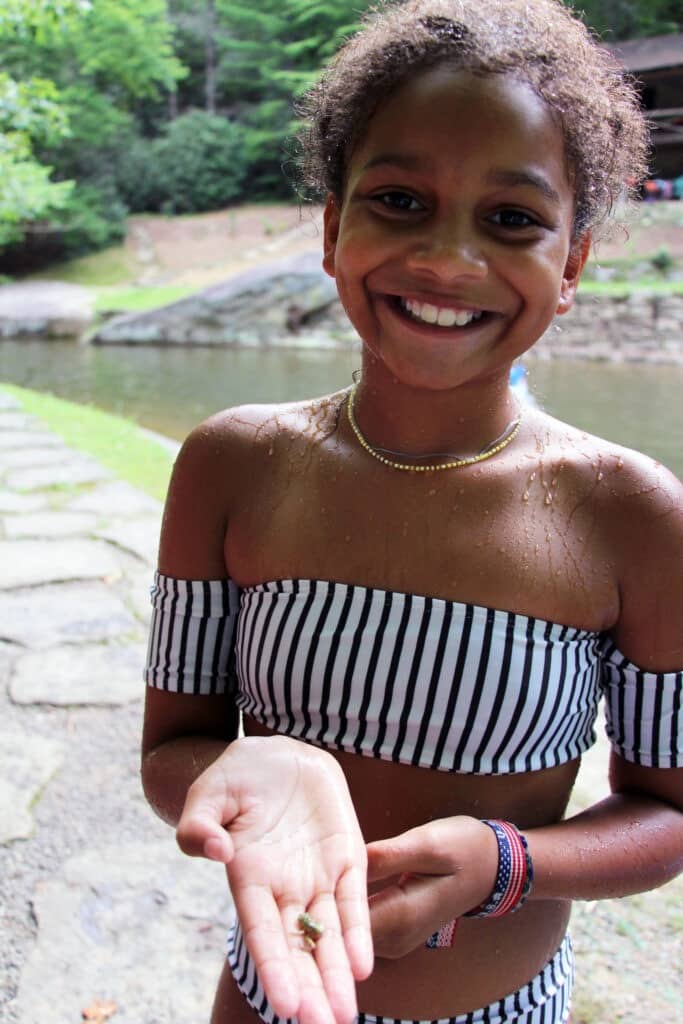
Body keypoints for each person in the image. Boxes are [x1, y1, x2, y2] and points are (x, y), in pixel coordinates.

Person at [140, 2, 683, 1023]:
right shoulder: (232, 464)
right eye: (397, 199)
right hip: (262, 996)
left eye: (511, 218)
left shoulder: (632, 515)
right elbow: (172, 753)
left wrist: (508, 861)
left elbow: (665, 814)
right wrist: (258, 763)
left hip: (503, 1007)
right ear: (332, 228)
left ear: (569, 265)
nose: (445, 260)